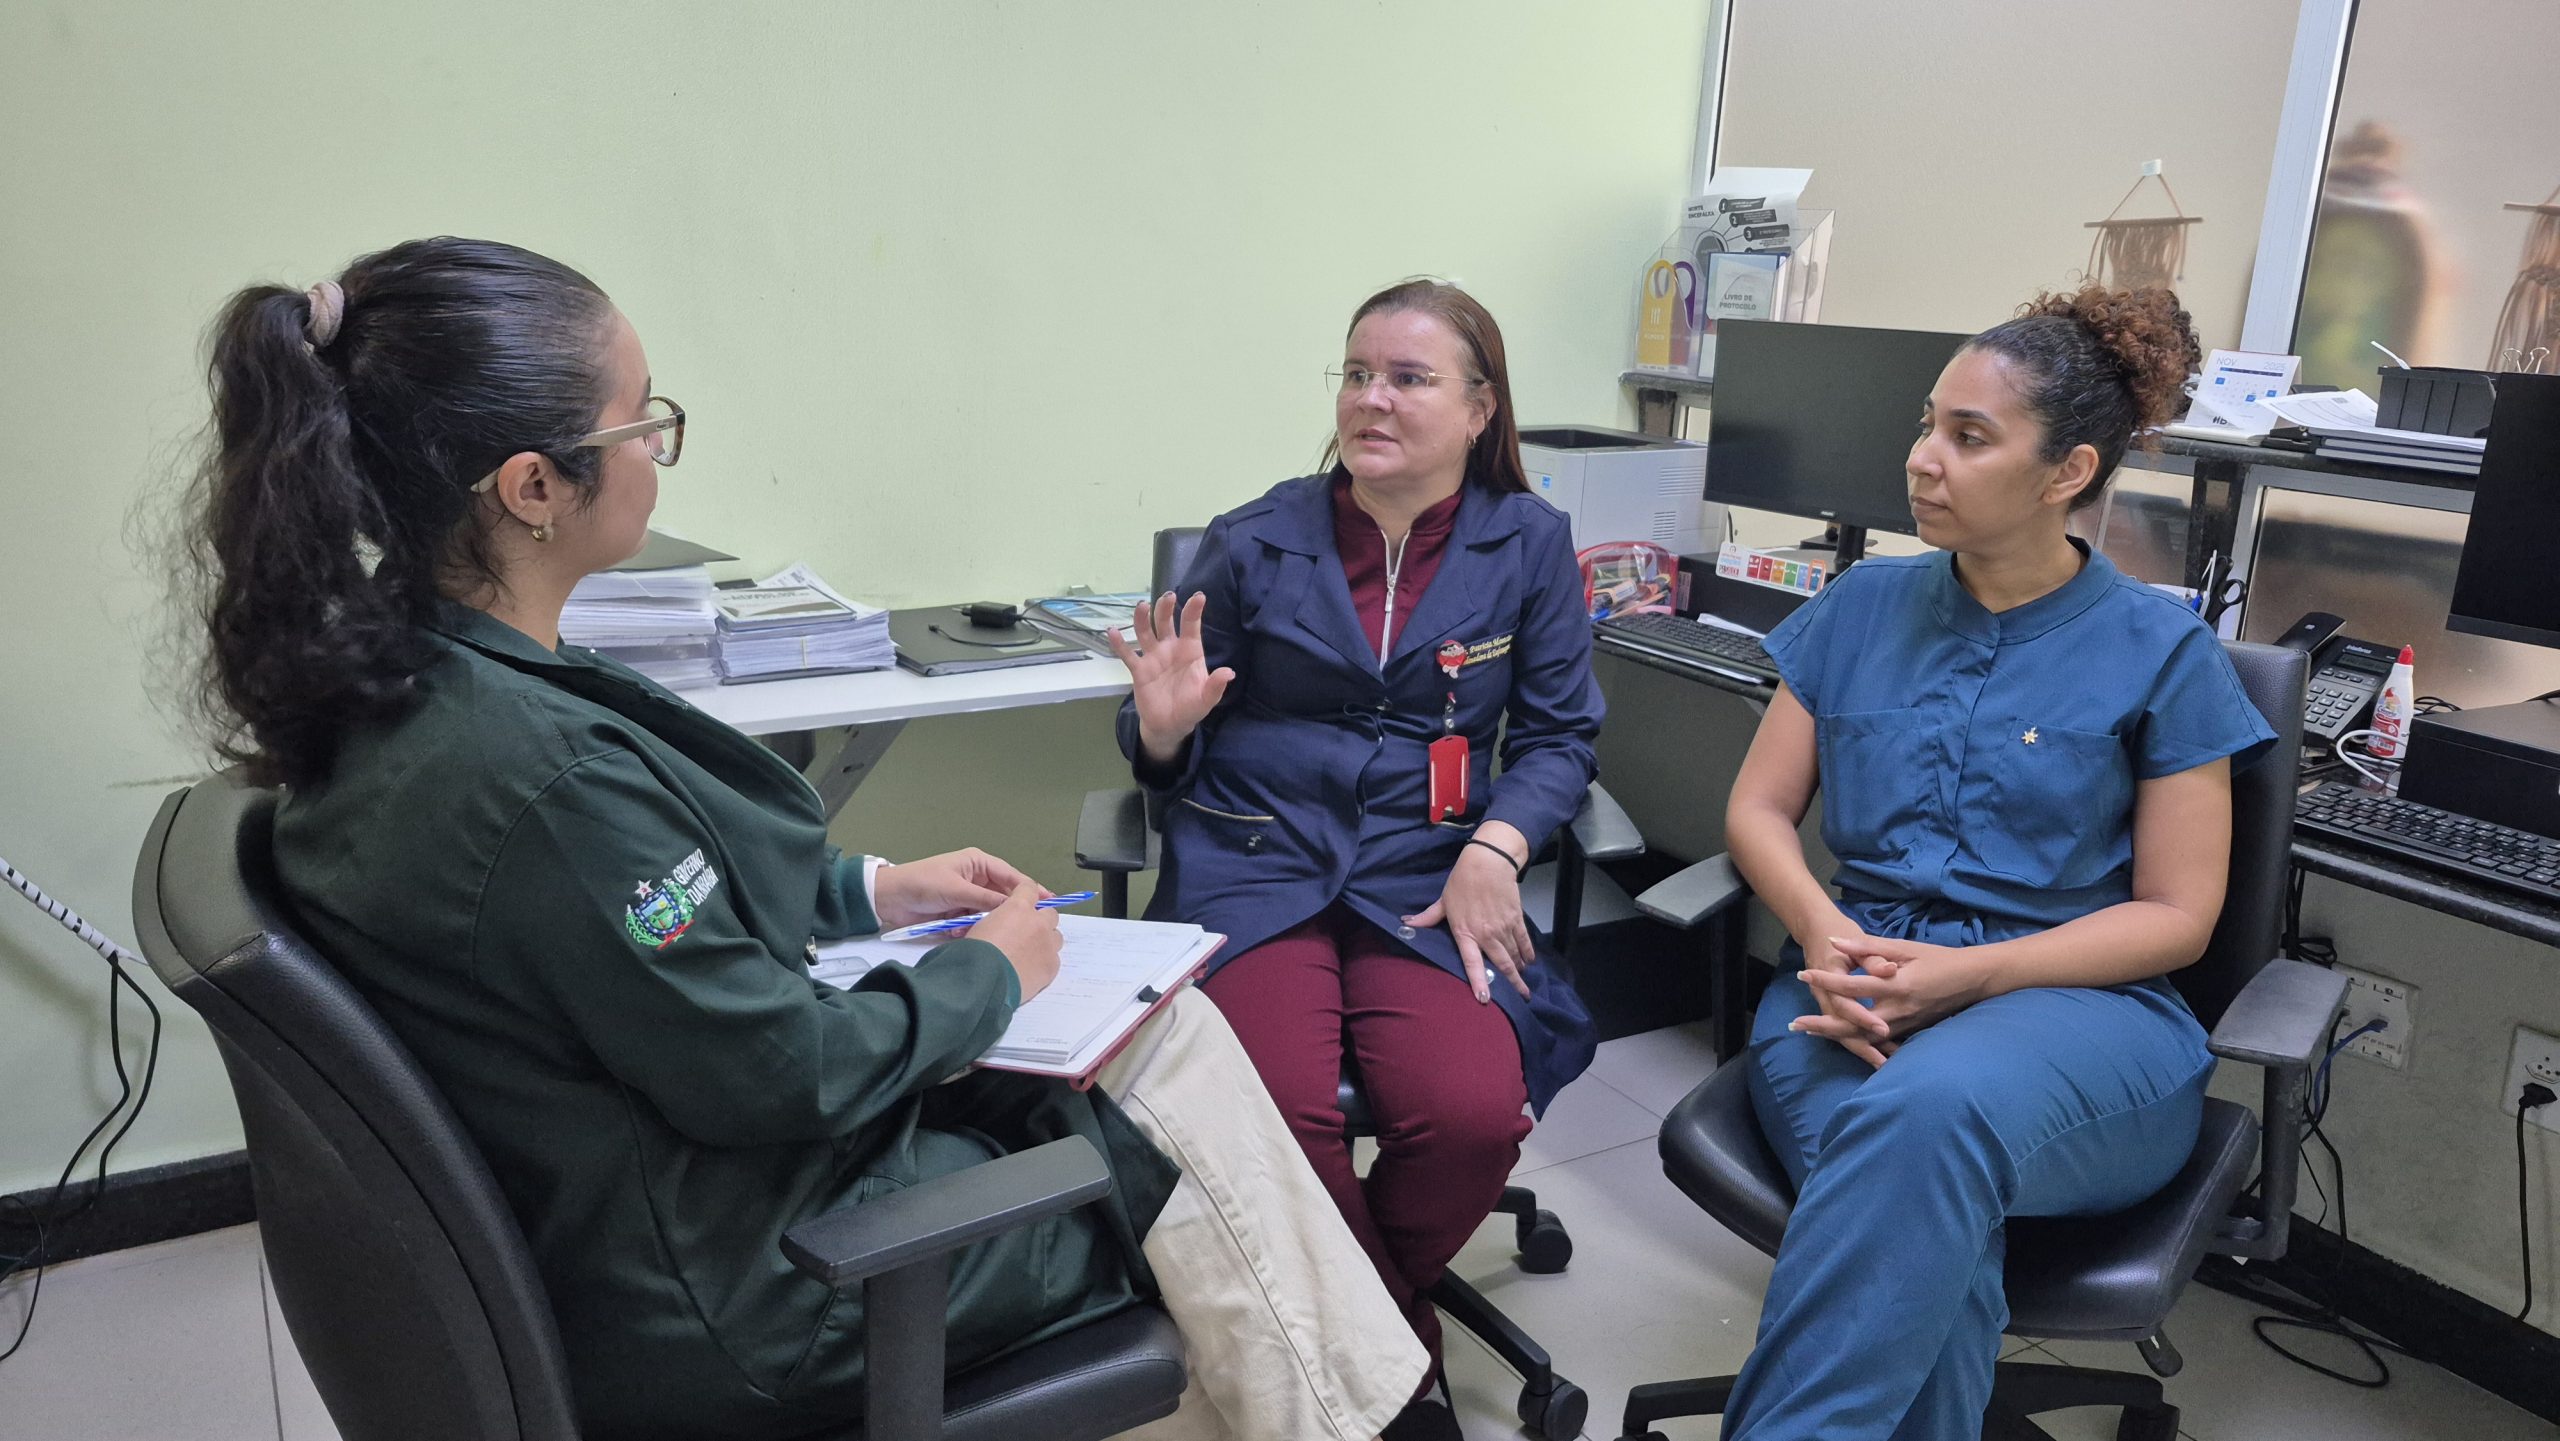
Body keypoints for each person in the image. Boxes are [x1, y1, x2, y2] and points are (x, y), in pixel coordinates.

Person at [178, 236, 1426, 1441]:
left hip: (644, 1205)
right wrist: (987, 970)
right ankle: (1360, 1413)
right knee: (1179, 1170)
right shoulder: (536, 777)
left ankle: (1341, 1402)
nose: (658, 453)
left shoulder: (409, 678)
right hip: (755, 1292)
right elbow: (779, 1067)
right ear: (533, 487)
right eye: (640, 424)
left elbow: (615, 930)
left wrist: (869, 890)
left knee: (1165, 1065)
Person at [1715, 285, 2276, 1439]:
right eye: (1928, 423)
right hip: (1847, 989)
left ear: (2067, 470)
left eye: (1967, 437)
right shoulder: (1859, 605)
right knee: (1927, 1229)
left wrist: (1971, 977)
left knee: (1926, 1121)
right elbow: (1758, 814)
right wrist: (1826, 937)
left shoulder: (2158, 651)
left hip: (2078, 1014)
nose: (1922, 458)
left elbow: (2179, 916)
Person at [1109, 279, 1604, 1432]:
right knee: (1283, 1111)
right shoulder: (1252, 539)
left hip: (1427, 876)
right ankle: (1397, 1375)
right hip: (1256, 861)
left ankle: (1351, 1332)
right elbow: (1156, 742)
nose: (1369, 399)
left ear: (1480, 409)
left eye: (1407, 378)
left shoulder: (1526, 543)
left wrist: (1498, 838)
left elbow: (1559, 733)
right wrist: (1166, 726)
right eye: (1354, 372)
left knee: (1474, 1111)